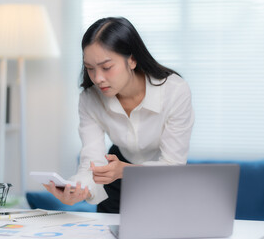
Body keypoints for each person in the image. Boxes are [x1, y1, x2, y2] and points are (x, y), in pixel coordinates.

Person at [44, 17, 195, 213]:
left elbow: (172, 165)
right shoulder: (90, 99)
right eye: (90, 68)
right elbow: (92, 162)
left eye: (107, 67)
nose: (98, 78)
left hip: (162, 177)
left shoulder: (175, 91)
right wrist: (77, 190)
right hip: (115, 174)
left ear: (132, 60)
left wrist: (125, 170)